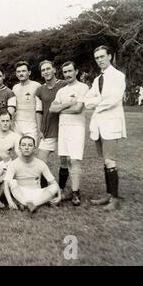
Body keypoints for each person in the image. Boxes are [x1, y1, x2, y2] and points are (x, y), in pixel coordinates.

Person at [85, 45, 127, 211]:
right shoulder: (97, 79)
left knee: (110, 160)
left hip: (111, 124)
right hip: (99, 125)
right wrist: (97, 102)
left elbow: (114, 99)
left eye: (102, 56)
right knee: (105, 160)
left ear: (110, 56)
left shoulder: (118, 76)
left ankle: (115, 200)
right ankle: (109, 195)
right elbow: (88, 100)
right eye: (97, 58)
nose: (100, 60)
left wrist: (96, 103)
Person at [49, 61, 89, 206]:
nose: (67, 74)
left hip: (77, 127)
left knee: (75, 160)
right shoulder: (61, 91)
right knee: (63, 160)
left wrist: (61, 109)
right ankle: (62, 190)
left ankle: (75, 193)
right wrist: (66, 104)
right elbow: (52, 109)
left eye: (70, 71)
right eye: (65, 72)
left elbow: (78, 109)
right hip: (63, 127)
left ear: (76, 71)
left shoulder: (83, 87)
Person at [3, 136, 61, 213]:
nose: (26, 148)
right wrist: (10, 202)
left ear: (34, 148)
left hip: (37, 193)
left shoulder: (40, 163)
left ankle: (31, 204)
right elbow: (6, 184)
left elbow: (53, 182)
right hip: (21, 193)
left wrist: (59, 196)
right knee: (12, 182)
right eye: (23, 145)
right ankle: (27, 203)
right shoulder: (14, 164)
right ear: (19, 148)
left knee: (54, 187)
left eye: (30, 145)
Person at [34, 61, 68, 189]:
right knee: (41, 160)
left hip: (64, 127)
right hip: (48, 128)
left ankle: (62, 189)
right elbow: (39, 111)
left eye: (48, 69)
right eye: (43, 70)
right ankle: (43, 188)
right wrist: (39, 129)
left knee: (64, 160)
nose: (46, 72)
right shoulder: (39, 90)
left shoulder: (64, 85)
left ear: (54, 70)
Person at [12, 61, 41, 144]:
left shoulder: (36, 86)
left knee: (30, 151)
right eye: (18, 71)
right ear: (16, 74)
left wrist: (39, 129)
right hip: (17, 125)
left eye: (23, 71)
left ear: (29, 72)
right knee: (18, 151)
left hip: (31, 124)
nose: (21, 73)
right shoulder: (15, 88)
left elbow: (39, 109)